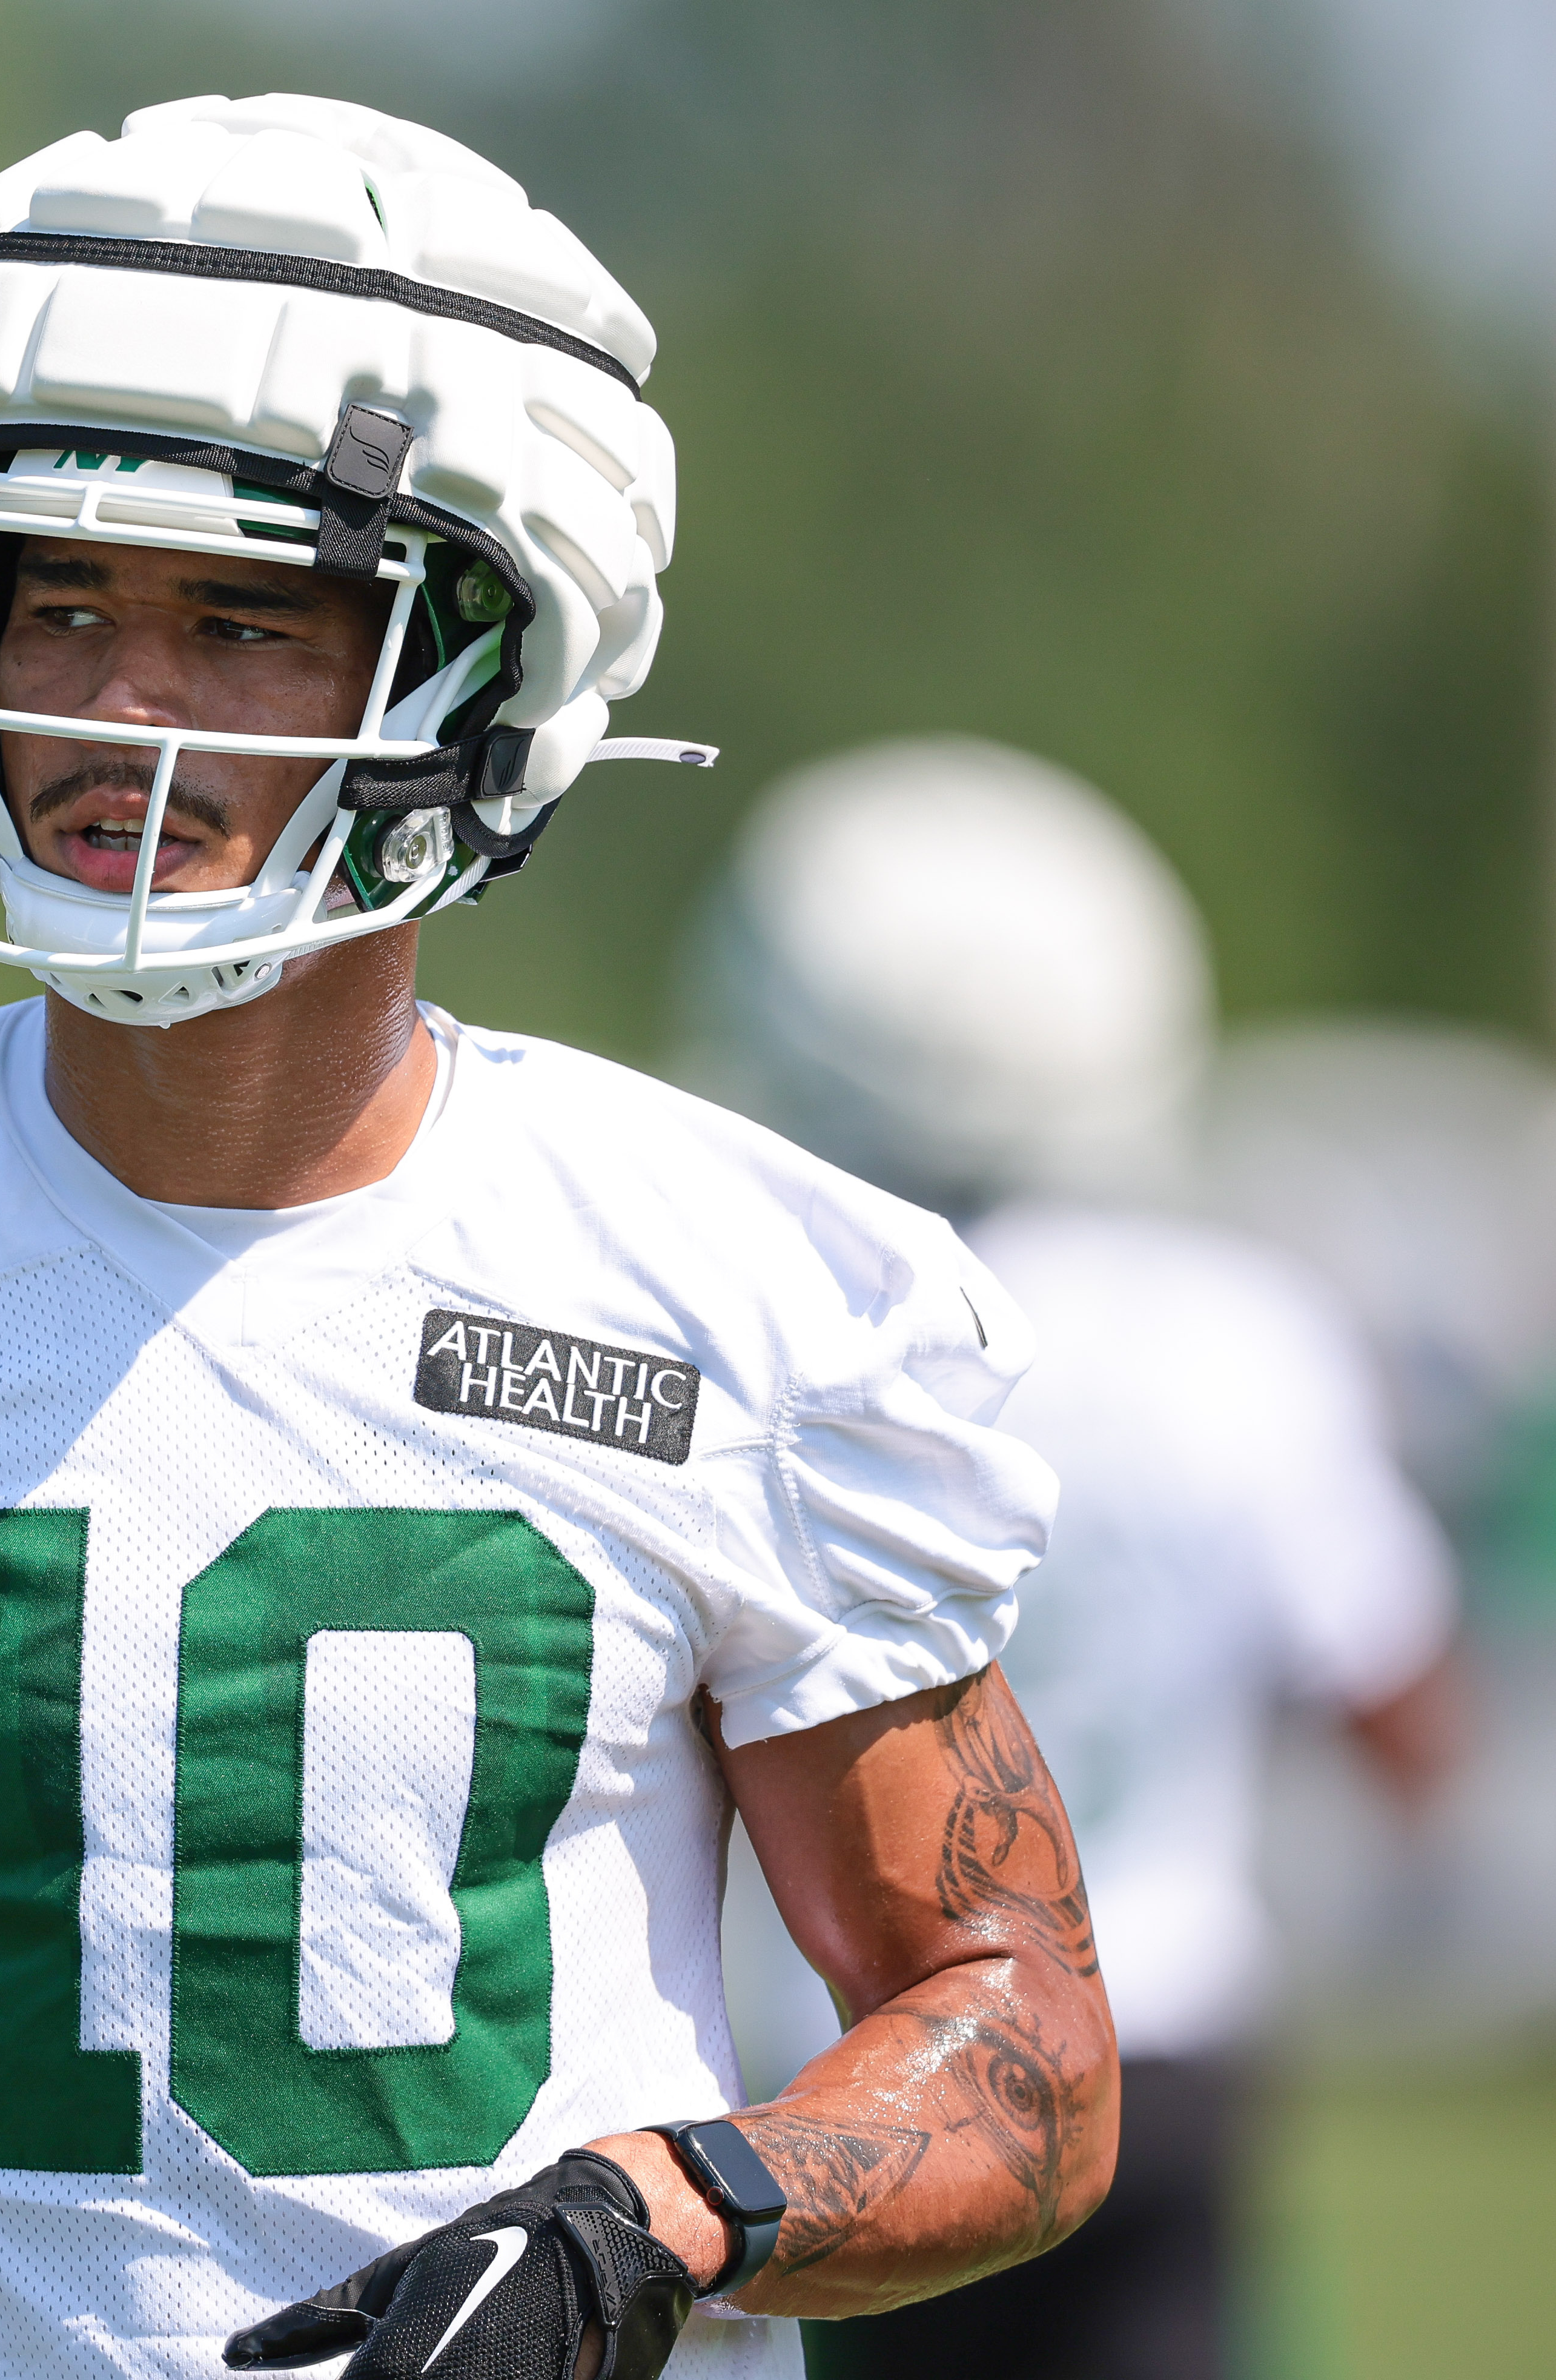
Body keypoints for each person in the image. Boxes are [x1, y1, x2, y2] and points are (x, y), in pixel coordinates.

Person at [0, 95, 1116, 2380]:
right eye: (57, 600)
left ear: (489, 674)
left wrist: (656, 2218)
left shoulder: (738, 1295)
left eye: (244, 621)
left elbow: (1025, 2034)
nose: (117, 705)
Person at [684, 738, 1463, 2380]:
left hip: (850, 2053)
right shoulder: (1239, 1332)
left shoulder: (778, 1333)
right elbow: (1396, 1698)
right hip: (1159, 2035)